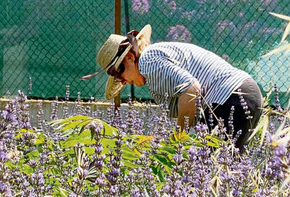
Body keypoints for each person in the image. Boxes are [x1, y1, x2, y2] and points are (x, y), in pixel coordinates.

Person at [87, 24, 263, 149]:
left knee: (213, 171)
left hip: (229, 98)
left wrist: (178, 141)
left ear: (130, 59)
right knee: (229, 171)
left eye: (120, 75)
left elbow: (191, 89)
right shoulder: (155, 62)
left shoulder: (148, 61)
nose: (123, 82)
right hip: (246, 94)